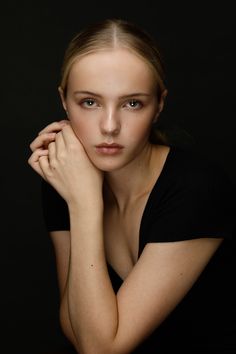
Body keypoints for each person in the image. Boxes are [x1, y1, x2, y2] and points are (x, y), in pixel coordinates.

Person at [28, 18, 236, 353]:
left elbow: (99, 349)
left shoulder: (197, 189)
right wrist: (82, 196)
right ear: (64, 101)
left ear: (159, 106)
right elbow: (77, 328)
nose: (110, 126)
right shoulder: (65, 180)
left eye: (132, 103)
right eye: (90, 102)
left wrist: (84, 205)